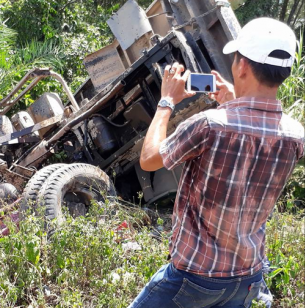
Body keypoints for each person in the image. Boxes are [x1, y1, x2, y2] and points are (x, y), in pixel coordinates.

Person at [130, 17, 304, 308]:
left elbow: (148, 159)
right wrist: (234, 102)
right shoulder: (296, 134)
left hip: (194, 277)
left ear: (242, 66)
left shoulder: (209, 125)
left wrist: (166, 102)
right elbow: (254, 138)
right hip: (248, 279)